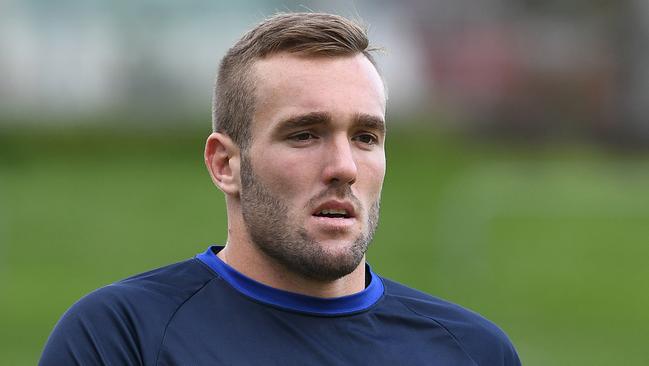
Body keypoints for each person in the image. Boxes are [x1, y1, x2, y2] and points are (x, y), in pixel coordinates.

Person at [40, 12, 521, 365]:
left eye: (365, 137)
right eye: (304, 135)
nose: (344, 167)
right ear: (225, 164)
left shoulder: (473, 351)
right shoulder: (121, 338)